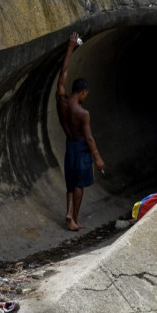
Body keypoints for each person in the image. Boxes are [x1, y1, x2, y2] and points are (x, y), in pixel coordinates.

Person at [55, 32, 105, 231]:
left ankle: (68, 213)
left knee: (70, 182)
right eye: (86, 93)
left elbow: (63, 73)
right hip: (82, 149)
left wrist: (70, 47)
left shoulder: (61, 102)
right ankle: (74, 218)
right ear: (83, 91)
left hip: (69, 145)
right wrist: (98, 158)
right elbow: (89, 138)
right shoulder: (83, 113)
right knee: (79, 185)